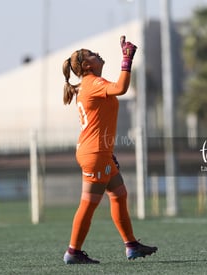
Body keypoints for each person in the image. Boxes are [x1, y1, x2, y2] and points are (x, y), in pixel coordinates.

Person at [61, 35, 157, 264]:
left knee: (119, 195)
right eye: (92, 54)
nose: (98, 55)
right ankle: (73, 252)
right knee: (89, 202)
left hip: (98, 152)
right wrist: (127, 59)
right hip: (95, 153)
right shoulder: (93, 82)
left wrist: (106, 151)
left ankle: (131, 245)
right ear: (86, 65)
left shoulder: (89, 84)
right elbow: (122, 88)